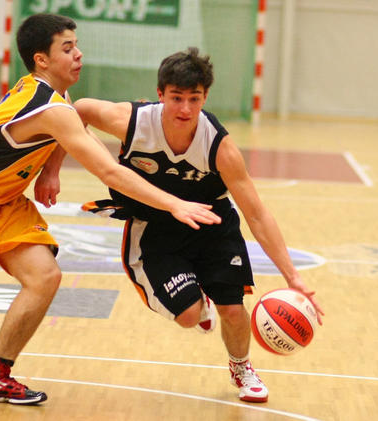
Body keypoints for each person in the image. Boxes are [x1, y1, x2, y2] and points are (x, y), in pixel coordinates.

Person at [0, 16, 221, 406]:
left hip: (2, 203)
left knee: (45, 277)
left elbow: (73, 133)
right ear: (42, 60)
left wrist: (51, 170)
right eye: (67, 48)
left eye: (76, 45)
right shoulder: (50, 108)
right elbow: (107, 170)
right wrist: (174, 203)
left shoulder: (55, 97)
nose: (79, 54)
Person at [61, 47, 325, 403]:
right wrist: (51, 170)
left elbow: (257, 214)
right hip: (157, 226)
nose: (185, 109)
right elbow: (76, 111)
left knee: (233, 309)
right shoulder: (132, 122)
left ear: (205, 97)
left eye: (194, 99)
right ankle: (197, 306)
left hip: (211, 223)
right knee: (187, 316)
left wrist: (292, 277)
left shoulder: (219, 146)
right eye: (176, 98)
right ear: (160, 94)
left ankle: (241, 367)